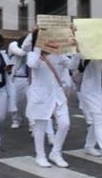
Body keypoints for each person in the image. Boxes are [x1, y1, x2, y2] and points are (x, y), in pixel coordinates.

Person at [25, 29, 72, 168]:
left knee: (65, 123)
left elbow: (71, 65)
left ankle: (55, 152)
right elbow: (32, 64)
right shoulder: (34, 54)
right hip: (41, 95)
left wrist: (77, 50)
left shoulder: (58, 53)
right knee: (40, 126)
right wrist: (39, 48)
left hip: (58, 94)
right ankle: (40, 156)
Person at [71, 53, 102, 165]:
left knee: (98, 120)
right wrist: (80, 54)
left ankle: (89, 146)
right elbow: (73, 66)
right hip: (91, 91)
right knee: (99, 120)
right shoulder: (86, 52)